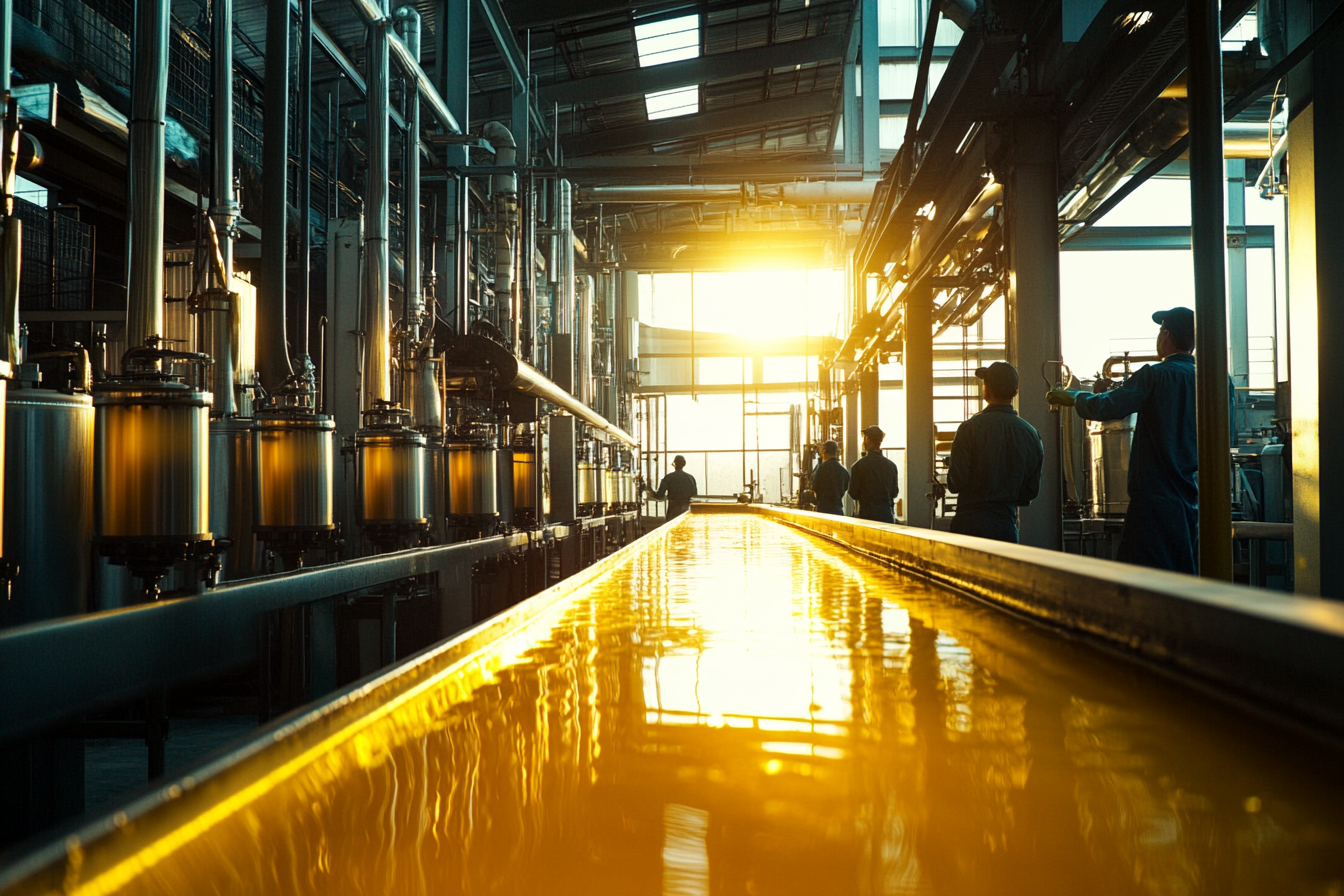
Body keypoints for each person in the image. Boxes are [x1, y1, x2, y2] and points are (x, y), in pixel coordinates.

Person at [1048, 307, 1197, 573]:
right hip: (1196, 500)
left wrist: (1074, 397)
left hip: (1154, 501)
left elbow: (1109, 406)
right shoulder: (1221, 381)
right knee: (1187, 575)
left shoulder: (1155, 375)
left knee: (1141, 581)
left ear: (1166, 334)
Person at [947, 361, 1044, 543]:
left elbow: (955, 483)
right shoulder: (1030, 433)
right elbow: (1030, 491)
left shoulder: (969, 429)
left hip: (969, 525)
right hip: (1006, 526)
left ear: (987, 389)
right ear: (1015, 391)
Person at [848, 425, 900, 523]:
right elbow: (894, 492)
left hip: (866, 517)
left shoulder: (858, 466)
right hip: (886, 516)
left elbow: (853, 493)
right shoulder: (891, 466)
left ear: (867, 439)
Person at [647, 454, 698, 521]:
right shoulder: (691, 478)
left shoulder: (668, 478)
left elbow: (660, 495)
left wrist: (650, 490)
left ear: (674, 464)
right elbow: (694, 497)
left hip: (673, 511)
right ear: (684, 464)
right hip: (686, 510)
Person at [811, 440, 850, 515]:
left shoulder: (822, 468)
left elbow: (814, 487)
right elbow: (846, 487)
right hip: (838, 510)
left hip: (823, 510)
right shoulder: (843, 470)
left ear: (823, 451)